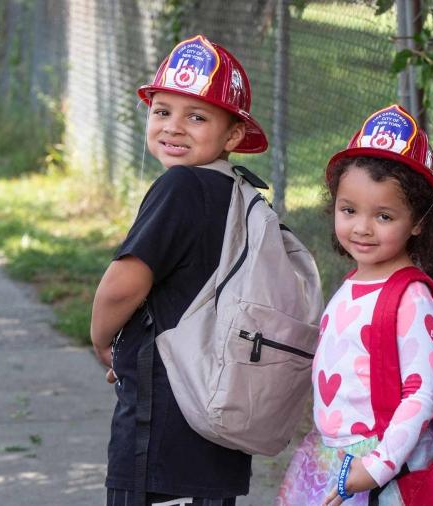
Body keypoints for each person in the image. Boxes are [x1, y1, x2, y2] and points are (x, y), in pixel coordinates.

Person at [90, 34, 269, 506]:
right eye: (162, 111)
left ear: (233, 135)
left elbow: (123, 285)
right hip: (220, 408)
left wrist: (102, 340)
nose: (174, 127)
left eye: (196, 116)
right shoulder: (241, 194)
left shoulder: (180, 185)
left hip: (160, 413)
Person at [275, 105, 433, 506]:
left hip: (384, 467)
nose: (362, 227)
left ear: (419, 221)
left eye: (384, 216)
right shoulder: (351, 285)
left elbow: (419, 394)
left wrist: (377, 466)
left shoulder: (410, 297)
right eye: (349, 210)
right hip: (332, 455)